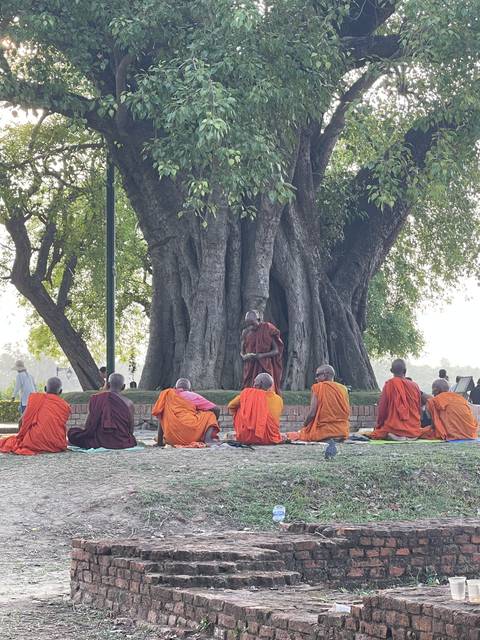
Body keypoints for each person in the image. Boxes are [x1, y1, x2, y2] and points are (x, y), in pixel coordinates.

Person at [0, 377, 70, 455]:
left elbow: (22, 421)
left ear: (45, 388)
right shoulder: (65, 406)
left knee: (7, 442)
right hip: (57, 445)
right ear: (61, 391)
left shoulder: (36, 399)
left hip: (34, 443)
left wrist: (21, 437)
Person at [68, 373, 137, 449]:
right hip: (121, 442)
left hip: (99, 441)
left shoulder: (96, 399)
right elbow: (130, 429)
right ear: (123, 387)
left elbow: (88, 425)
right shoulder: (129, 403)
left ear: (107, 384)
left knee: (73, 433)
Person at [287, 365, 350, 442]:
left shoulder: (318, 387)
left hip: (324, 432)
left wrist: (305, 425)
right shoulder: (343, 389)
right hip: (342, 432)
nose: (316, 378)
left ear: (325, 374)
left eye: (317, 375)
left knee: (292, 435)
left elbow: (312, 413)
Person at [152, 378, 220, 447]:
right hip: (191, 436)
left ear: (175, 388)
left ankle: (160, 442)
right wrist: (212, 424)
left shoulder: (167, 396)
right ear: (190, 389)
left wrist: (159, 443)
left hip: (171, 438)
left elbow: (160, 417)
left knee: (163, 414)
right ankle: (208, 439)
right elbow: (216, 409)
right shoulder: (192, 395)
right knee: (211, 414)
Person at [370, 359, 422, 440]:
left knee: (377, 433)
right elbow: (419, 409)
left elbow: (382, 409)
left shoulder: (389, 385)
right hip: (414, 432)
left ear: (391, 371)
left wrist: (379, 425)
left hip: (394, 431)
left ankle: (399, 434)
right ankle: (408, 434)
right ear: (405, 371)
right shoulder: (415, 386)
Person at [228, 373, 283, 445]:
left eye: (255, 382)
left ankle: (245, 431)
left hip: (248, 437)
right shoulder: (279, 399)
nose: (253, 384)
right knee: (246, 406)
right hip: (271, 438)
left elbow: (231, 406)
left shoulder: (248, 393)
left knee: (242, 408)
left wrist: (246, 412)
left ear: (259, 383)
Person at [241, 310, 284, 393]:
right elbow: (242, 352)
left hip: (265, 365)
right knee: (250, 390)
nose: (251, 326)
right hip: (251, 366)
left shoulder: (267, 329)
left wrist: (261, 355)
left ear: (259, 320)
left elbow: (276, 350)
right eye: (248, 324)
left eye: (253, 323)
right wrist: (244, 356)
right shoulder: (246, 332)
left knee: (266, 389)